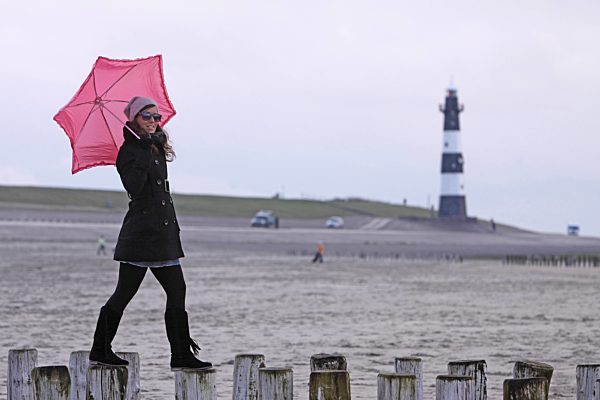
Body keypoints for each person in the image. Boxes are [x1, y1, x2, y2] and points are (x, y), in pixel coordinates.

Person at [89, 96, 211, 370]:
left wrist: (150, 146)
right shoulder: (129, 152)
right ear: (134, 119)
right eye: (148, 117)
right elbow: (135, 187)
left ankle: (180, 354)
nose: (155, 122)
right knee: (124, 293)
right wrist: (143, 149)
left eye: (157, 117)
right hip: (142, 235)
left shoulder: (155, 146)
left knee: (177, 289)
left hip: (162, 232)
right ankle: (100, 349)